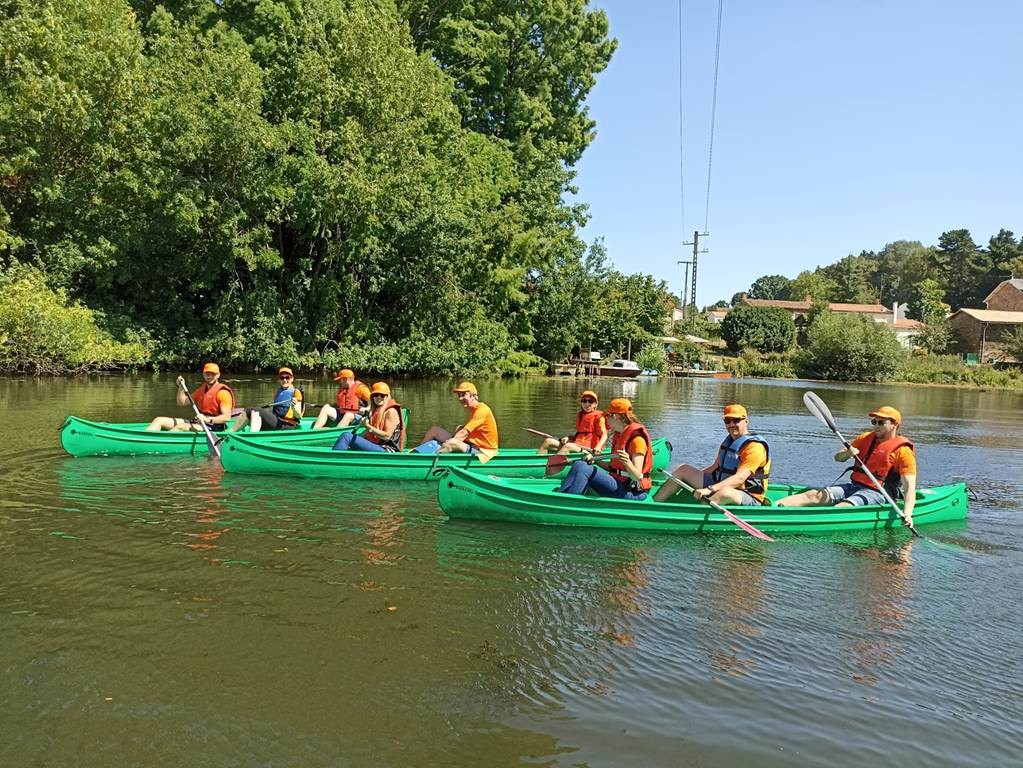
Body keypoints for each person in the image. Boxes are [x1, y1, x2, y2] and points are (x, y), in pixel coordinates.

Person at [776, 406, 917, 527]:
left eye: (881, 423)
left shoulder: (903, 451)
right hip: (854, 485)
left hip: (878, 493)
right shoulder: (864, 438)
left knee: (842, 508)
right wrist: (848, 453)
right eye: (874, 422)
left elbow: (909, 487)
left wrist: (908, 514)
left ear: (894, 425)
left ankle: (796, 523)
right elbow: (838, 458)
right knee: (813, 495)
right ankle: (772, 508)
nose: (876, 426)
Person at [653, 404, 770, 506]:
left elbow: (739, 479)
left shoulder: (755, 447)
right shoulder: (729, 442)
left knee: (725, 493)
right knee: (684, 469)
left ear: (746, 421)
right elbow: (714, 468)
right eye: (727, 421)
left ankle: (695, 516)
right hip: (721, 484)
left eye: (736, 420)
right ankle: (654, 504)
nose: (731, 424)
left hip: (747, 495)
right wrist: (690, 478)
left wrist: (709, 489)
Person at [557, 398, 653, 500]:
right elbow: (614, 469)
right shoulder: (620, 435)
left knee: (585, 469)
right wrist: (596, 461)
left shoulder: (637, 440)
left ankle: (569, 502)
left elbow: (637, 476)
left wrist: (627, 462)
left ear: (615, 417)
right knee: (580, 464)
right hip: (620, 484)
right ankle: (562, 497)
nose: (606, 419)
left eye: (607, 416)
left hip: (632, 493)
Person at [412, 382, 499, 455]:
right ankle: (419, 453)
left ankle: (429, 460)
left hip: (484, 452)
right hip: (471, 444)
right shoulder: (474, 410)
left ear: (473, 396)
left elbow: (464, 433)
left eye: (464, 395)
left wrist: (448, 443)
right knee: (434, 430)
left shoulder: (482, 410)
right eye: (459, 395)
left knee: (452, 443)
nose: (460, 398)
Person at [146, 362, 236, 432]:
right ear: (203, 374)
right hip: (198, 422)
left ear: (218, 375)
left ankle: (160, 443)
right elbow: (182, 402)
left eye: (213, 374)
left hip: (215, 426)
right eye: (207, 374)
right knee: (159, 420)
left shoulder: (223, 393)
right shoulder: (202, 389)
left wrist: (208, 419)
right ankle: (147, 439)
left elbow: (226, 417)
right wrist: (181, 386)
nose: (209, 376)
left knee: (180, 427)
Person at [332, 382, 406, 452]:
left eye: (382, 395)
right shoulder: (376, 410)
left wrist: (368, 426)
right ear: (372, 397)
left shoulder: (391, 411)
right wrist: (355, 438)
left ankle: (333, 461)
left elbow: (387, 436)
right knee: (348, 437)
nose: (379, 397)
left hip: (387, 450)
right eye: (376, 395)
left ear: (387, 396)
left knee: (346, 436)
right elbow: (366, 434)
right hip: (377, 446)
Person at [229, 367, 304, 433]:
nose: (284, 380)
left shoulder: (296, 392)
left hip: (287, 425)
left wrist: (294, 408)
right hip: (277, 421)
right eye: (282, 377)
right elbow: (275, 410)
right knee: (250, 412)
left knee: (255, 411)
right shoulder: (279, 391)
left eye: (287, 377)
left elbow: (298, 416)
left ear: (292, 379)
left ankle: (251, 437)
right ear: (279, 379)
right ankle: (230, 433)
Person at [536, 390, 608, 455]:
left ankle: (553, 467)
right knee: (548, 441)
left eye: (591, 401)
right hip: (577, 445)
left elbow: (604, 434)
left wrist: (598, 447)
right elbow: (580, 434)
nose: (587, 404)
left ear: (595, 404)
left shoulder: (599, 417)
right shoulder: (580, 415)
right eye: (584, 401)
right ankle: (538, 464)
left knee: (568, 446)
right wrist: (568, 438)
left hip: (590, 449)